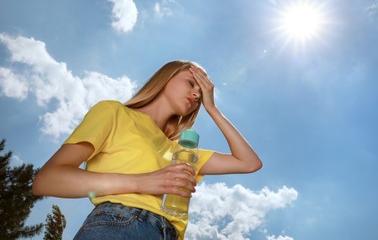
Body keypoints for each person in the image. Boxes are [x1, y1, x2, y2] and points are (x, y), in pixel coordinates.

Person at [32, 60, 262, 240]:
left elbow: (249, 162)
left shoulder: (181, 153)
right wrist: (143, 182)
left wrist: (212, 108)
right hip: (119, 225)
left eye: (200, 95)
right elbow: (47, 179)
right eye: (191, 83)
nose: (195, 94)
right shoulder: (114, 113)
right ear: (165, 78)